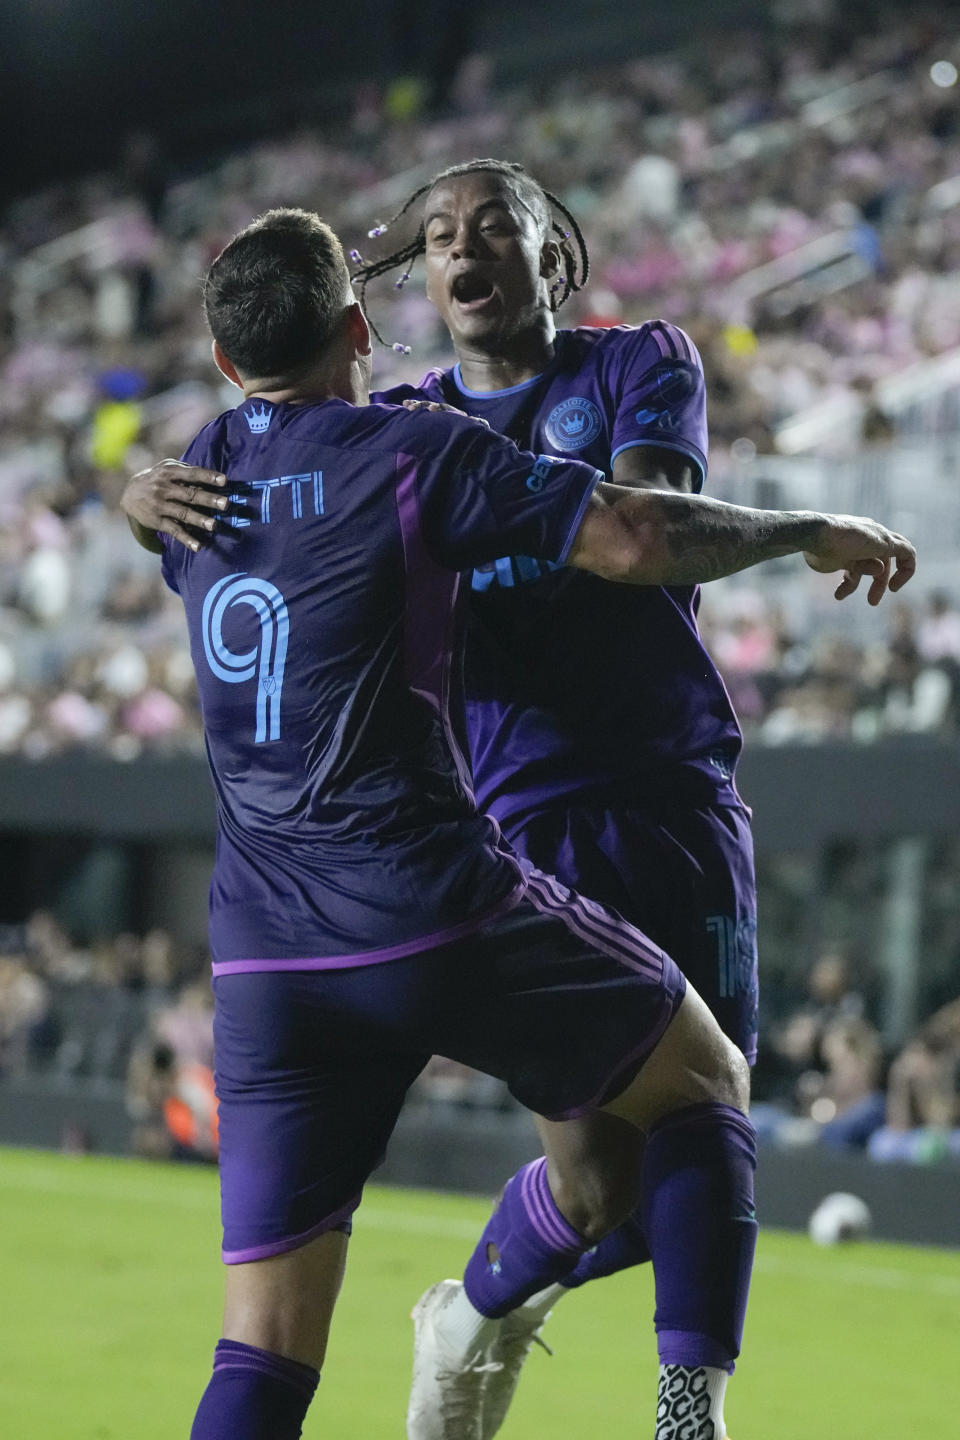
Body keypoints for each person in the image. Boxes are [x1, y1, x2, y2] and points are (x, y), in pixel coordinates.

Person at [123, 203, 914, 1440]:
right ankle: (684, 1418)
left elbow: (187, 492)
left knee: (264, 1348)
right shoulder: (410, 450)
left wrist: (131, 493)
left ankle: (483, 1323)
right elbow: (637, 532)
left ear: (227, 364)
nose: (456, 254)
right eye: (434, 237)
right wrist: (805, 528)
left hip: (265, 951)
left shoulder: (207, 468)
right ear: (359, 327)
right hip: (422, 895)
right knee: (708, 1086)